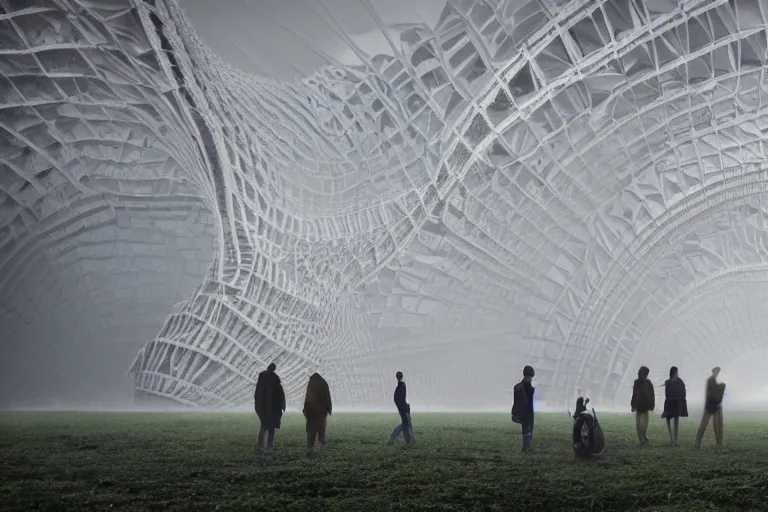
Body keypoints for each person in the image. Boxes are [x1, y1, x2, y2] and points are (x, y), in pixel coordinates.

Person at [254, 363, 285, 453]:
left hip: (266, 407)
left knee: (265, 426)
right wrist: (282, 405)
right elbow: (280, 393)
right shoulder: (274, 378)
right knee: (268, 427)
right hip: (272, 407)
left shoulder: (263, 377)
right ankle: (267, 446)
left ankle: (262, 446)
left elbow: (258, 394)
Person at [694, 367, 726, 450]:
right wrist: (722, 386)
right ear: (713, 372)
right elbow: (712, 393)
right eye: (716, 372)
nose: (717, 373)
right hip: (710, 405)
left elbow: (716, 392)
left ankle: (719, 443)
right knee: (704, 425)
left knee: (718, 425)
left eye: (718, 372)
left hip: (714, 405)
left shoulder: (713, 381)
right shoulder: (710, 380)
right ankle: (697, 443)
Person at [303, 372, 332, 452]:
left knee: (311, 430)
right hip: (322, 411)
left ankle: (310, 446)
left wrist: (305, 409)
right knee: (321, 428)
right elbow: (327, 397)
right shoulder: (324, 383)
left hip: (312, 411)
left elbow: (307, 398)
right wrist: (329, 409)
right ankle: (322, 442)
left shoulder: (311, 384)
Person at [511, 365, 535, 452]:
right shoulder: (519, 388)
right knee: (526, 430)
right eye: (529, 377)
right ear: (525, 376)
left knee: (529, 430)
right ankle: (525, 448)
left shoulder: (527, 388)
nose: (530, 379)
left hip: (528, 412)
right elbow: (518, 402)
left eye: (531, 377)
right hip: (522, 412)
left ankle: (527, 447)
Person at [661, 366, 688, 444]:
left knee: (676, 420)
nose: (676, 373)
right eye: (675, 372)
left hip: (677, 403)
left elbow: (683, 392)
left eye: (677, 372)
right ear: (672, 372)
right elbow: (667, 393)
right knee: (668, 419)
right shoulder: (668, 382)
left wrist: (681, 400)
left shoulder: (680, 381)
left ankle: (676, 438)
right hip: (669, 403)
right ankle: (671, 438)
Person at [388, 371, 415, 445]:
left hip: (402, 408)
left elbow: (396, 399)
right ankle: (394, 437)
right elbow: (398, 399)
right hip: (404, 409)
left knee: (406, 425)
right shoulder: (402, 386)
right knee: (405, 424)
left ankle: (409, 441)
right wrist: (404, 406)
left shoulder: (400, 386)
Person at [630, 366, 655, 445]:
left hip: (642, 405)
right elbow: (635, 394)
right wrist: (633, 404)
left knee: (641, 423)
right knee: (642, 423)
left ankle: (642, 437)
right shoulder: (642, 382)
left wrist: (633, 404)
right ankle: (642, 438)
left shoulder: (643, 382)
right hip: (642, 405)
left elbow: (651, 394)